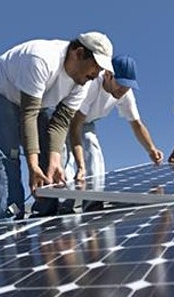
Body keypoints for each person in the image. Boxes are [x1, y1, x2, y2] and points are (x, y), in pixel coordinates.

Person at [0, 31, 114, 222]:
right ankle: (10, 221)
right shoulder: (41, 58)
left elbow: (61, 122)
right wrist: (33, 166)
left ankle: (44, 215)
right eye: (96, 66)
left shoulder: (83, 82)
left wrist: (54, 162)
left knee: (50, 157)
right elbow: (29, 113)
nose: (97, 73)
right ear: (79, 53)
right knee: (9, 155)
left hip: (38, 101)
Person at [45, 54, 164, 211]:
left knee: (93, 151)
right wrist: (81, 165)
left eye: (128, 86)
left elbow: (136, 123)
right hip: (62, 119)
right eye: (121, 84)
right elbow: (74, 127)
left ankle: (93, 202)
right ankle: (64, 204)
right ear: (107, 74)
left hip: (85, 122)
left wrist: (151, 149)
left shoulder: (124, 92)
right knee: (65, 159)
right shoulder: (90, 84)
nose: (123, 90)